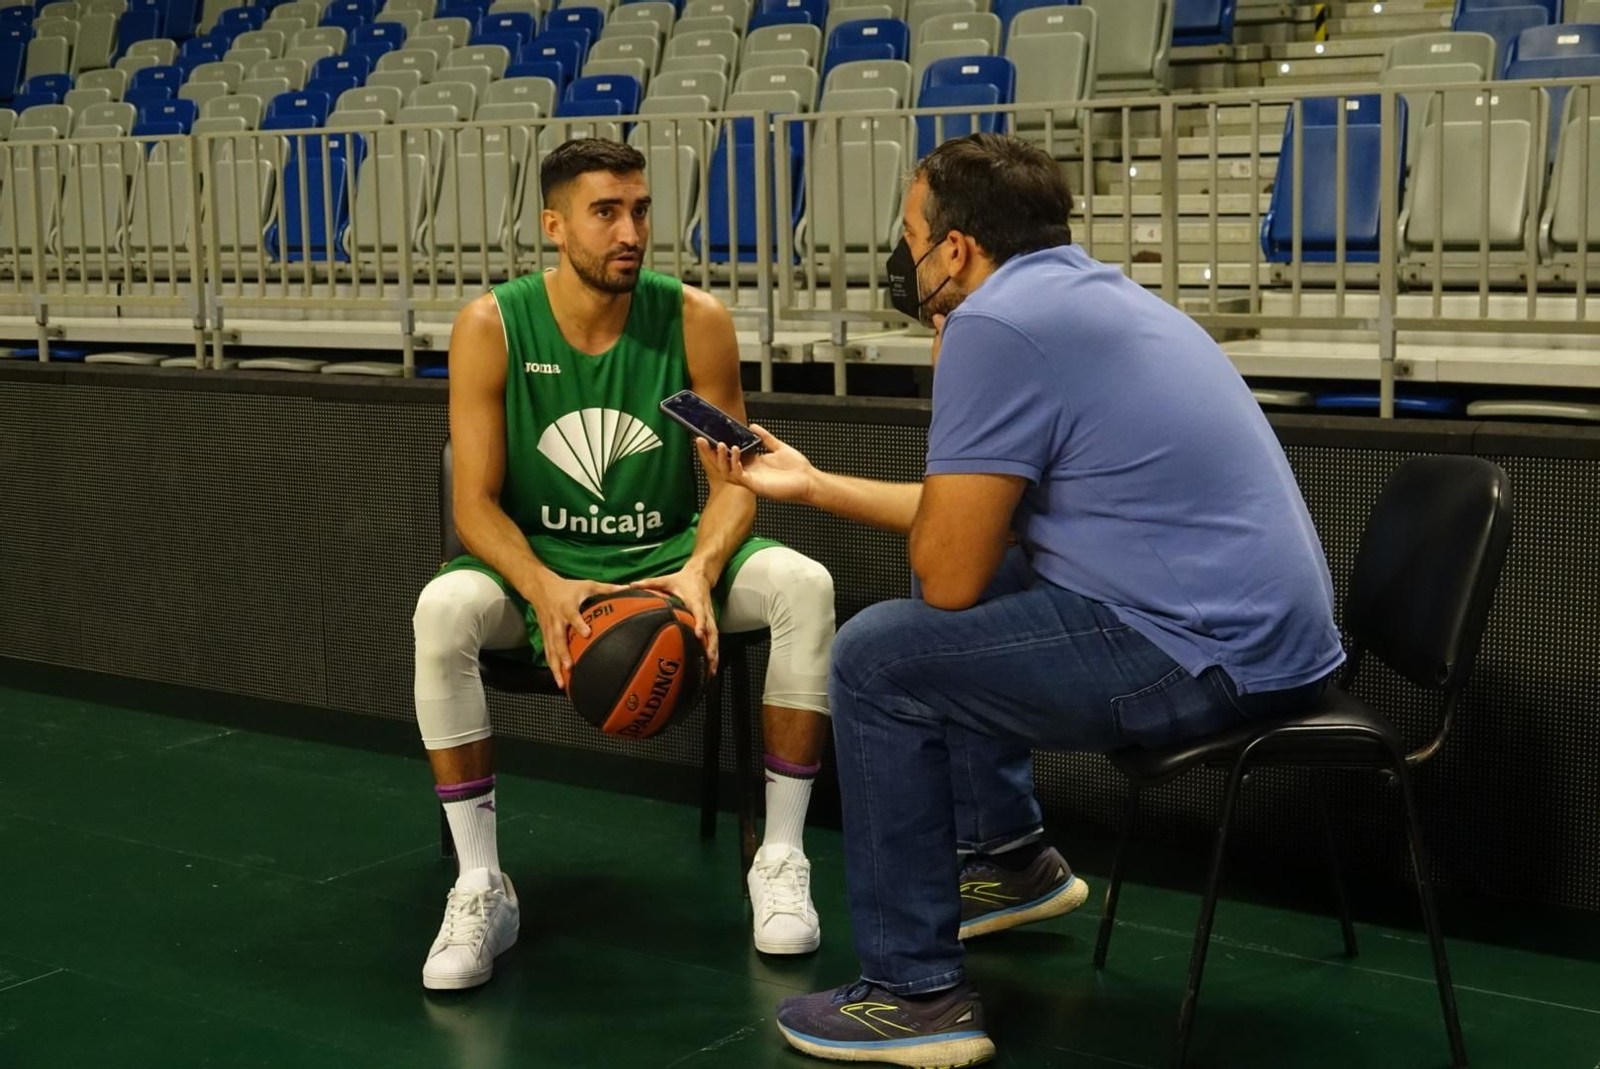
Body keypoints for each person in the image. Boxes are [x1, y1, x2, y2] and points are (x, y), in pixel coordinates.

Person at [701, 133, 1347, 1067]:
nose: (905, 252)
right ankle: (1008, 861)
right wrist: (811, 484)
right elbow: (973, 531)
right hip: (1270, 642)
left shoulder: (994, 326)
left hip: (1208, 658)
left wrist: (951, 357)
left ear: (955, 249)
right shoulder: (1085, 293)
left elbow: (950, 568)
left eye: (912, 232)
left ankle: (913, 996)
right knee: (964, 597)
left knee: (879, 658)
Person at [411, 139, 837, 991]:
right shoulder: (492, 325)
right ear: (554, 223)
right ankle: (481, 884)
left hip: (672, 556)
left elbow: (737, 483)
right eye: (606, 211)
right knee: (441, 611)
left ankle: (781, 862)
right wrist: (544, 586)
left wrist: (700, 569)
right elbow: (475, 505)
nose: (630, 230)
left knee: (806, 586)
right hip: (543, 565)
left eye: (640, 209)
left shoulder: (694, 319)